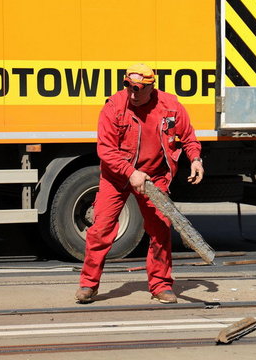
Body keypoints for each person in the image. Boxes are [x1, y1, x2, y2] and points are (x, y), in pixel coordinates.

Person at [75, 63, 204, 304]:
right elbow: (106, 150)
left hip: (155, 176)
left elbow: (188, 137)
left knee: (159, 229)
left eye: (138, 89)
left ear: (151, 87)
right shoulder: (114, 107)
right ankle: (88, 284)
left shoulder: (170, 106)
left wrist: (195, 159)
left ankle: (160, 285)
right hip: (117, 176)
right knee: (101, 229)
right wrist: (130, 172)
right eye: (129, 88)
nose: (133, 94)